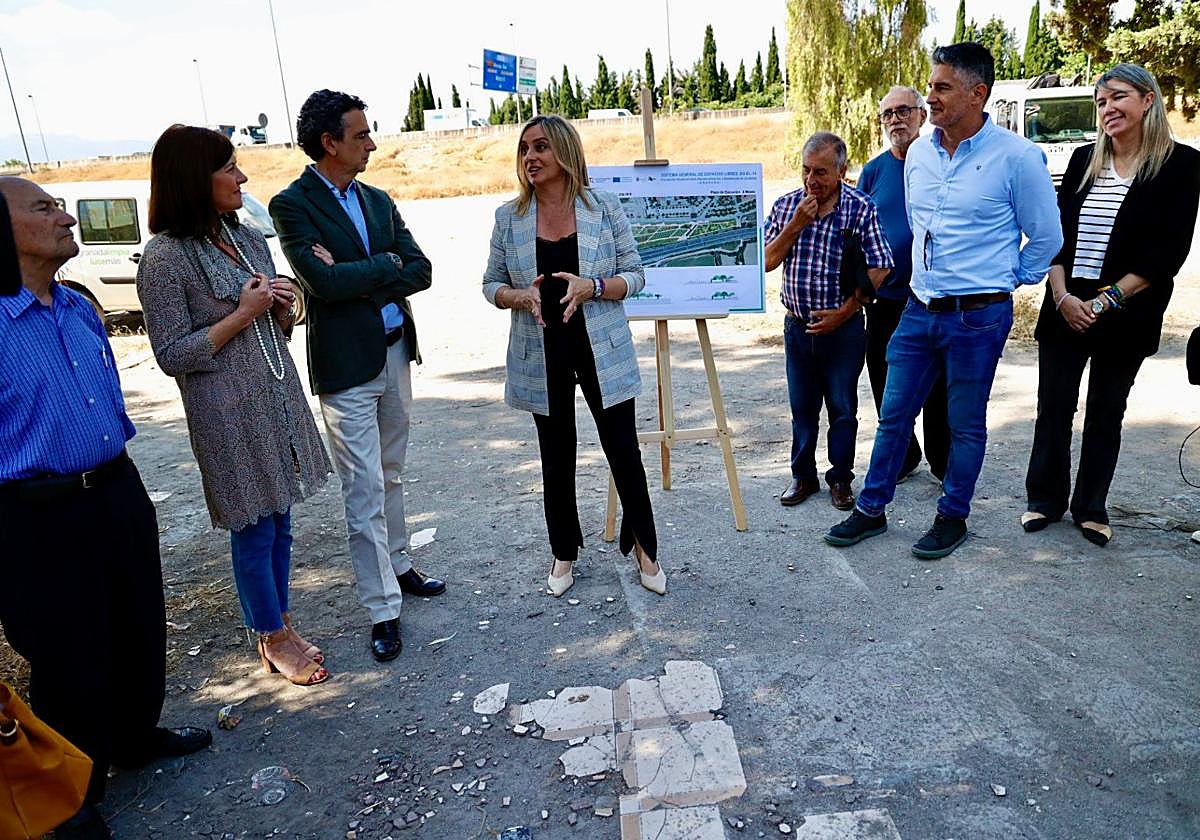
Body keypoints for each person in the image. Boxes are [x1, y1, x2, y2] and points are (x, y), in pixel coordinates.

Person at [0, 177, 211, 840]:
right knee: (67, 654)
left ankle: (134, 738)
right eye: (43, 208)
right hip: (35, 515)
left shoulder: (78, 308)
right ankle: (69, 795)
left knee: (138, 623)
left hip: (116, 488)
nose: (64, 216)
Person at [826, 42, 1063, 559]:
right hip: (917, 309)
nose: (929, 97)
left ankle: (952, 517)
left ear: (977, 94)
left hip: (979, 318)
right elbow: (919, 225)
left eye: (941, 87)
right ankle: (871, 510)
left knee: (964, 423)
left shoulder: (1018, 158)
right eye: (930, 85)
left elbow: (1046, 238)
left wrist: (1004, 280)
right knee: (893, 415)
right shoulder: (920, 155)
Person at [136, 125, 333, 685]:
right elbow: (172, 353)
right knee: (255, 528)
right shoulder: (164, 259)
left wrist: (283, 306)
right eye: (229, 168)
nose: (241, 178)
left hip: (276, 396)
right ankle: (270, 637)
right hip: (226, 414)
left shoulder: (246, 237)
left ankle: (282, 624)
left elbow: (271, 329)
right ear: (194, 179)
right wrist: (241, 315)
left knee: (283, 520)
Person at [270, 89, 445, 663]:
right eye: (362, 134)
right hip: (346, 367)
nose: (372, 142)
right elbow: (324, 287)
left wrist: (366, 272)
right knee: (362, 486)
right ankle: (382, 609)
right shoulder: (291, 205)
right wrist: (381, 268)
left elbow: (419, 268)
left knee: (391, 471)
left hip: (395, 353)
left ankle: (398, 565)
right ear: (330, 143)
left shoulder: (377, 198)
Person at [481, 114, 666, 598]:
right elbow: (489, 284)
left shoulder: (603, 208)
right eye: (524, 150)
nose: (530, 157)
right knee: (555, 456)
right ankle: (564, 550)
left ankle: (646, 547)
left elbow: (636, 275)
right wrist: (518, 297)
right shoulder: (509, 217)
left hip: (600, 346)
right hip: (542, 350)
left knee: (623, 450)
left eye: (540, 147)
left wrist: (595, 287)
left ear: (564, 152)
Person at [1023, 64, 1200, 546]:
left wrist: (1104, 302)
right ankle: (1043, 499)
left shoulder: (1181, 165)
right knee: (1053, 405)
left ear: (1148, 100)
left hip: (1126, 310)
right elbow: (1055, 236)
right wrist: (1061, 297)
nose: (1108, 109)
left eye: (1118, 97)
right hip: (1066, 302)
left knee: (1106, 409)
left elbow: (1169, 251)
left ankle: (1091, 506)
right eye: (1101, 102)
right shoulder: (1083, 159)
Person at [765, 132, 893, 512]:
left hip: (845, 330)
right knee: (802, 408)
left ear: (841, 171)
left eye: (820, 172)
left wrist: (847, 310)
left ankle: (840, 479)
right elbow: (768, 260)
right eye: (806, 170)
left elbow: (883, 264)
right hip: (798, 326)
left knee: (842, 407)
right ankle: (802, 476)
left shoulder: (860, 207)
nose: (811, 181)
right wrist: (796, 225)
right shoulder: (788, 205)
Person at [858, 86, 949, 483]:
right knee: (883, 375)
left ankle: (943, 459)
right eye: (887, 114)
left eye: (903, 111)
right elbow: (854, 228)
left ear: (921, 116)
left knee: (936, 384)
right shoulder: (874, 170)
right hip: (885, 298)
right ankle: (904, 454)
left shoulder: (941, 161)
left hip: (932, 297)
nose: (895, 119)